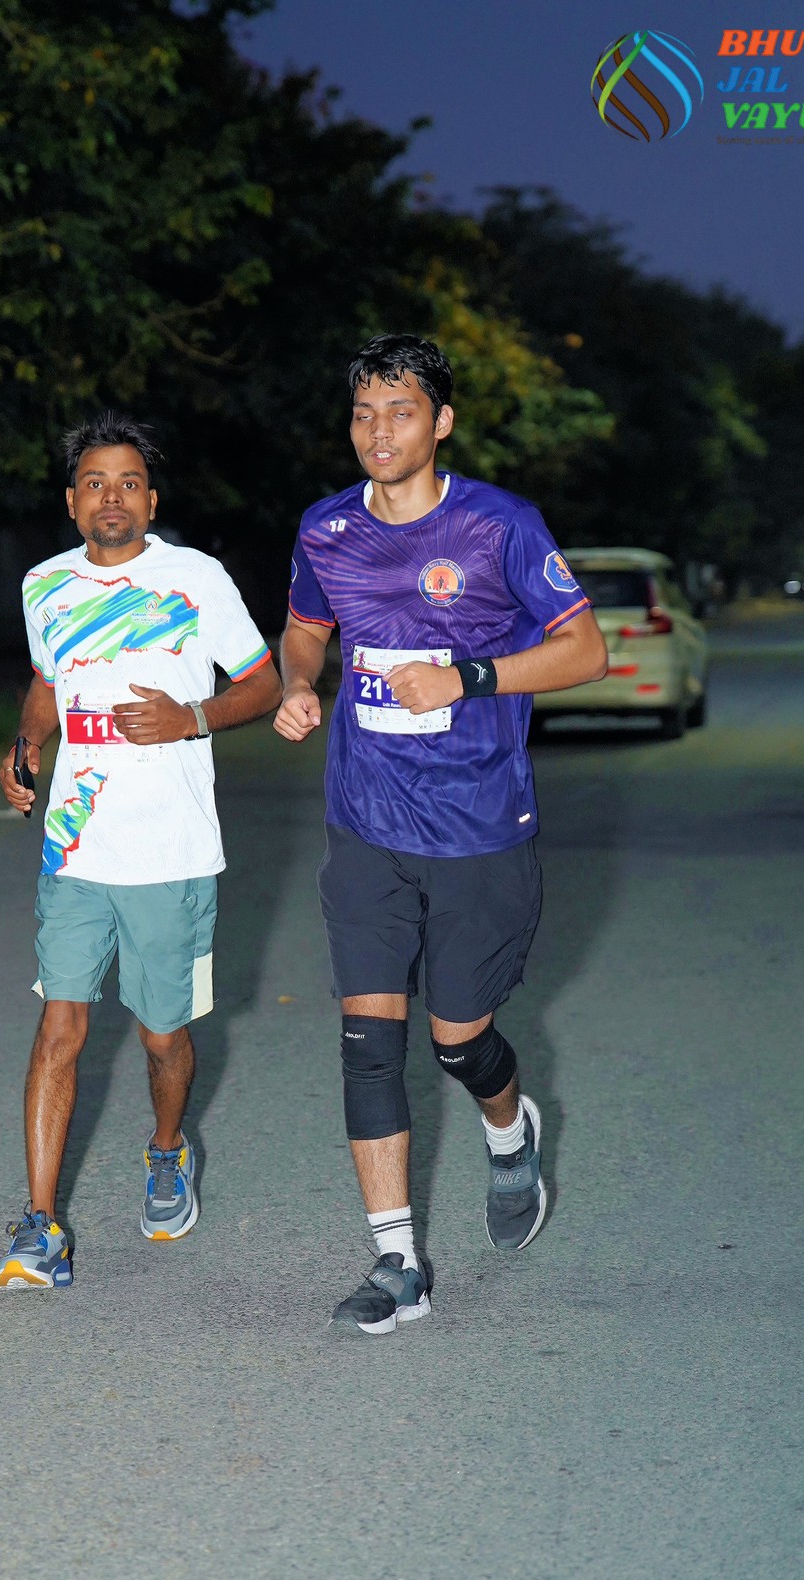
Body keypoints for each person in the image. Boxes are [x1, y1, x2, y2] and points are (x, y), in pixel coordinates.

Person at [274, 333, 607, 1337]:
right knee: (367, 1042)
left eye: (401, 411)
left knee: (458, 1039)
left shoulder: (499, 525)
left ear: (441, 421)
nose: (379, 431)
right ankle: (397, 1261)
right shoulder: (326, 526)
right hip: (365, 819)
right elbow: (305, 626)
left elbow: (584, 650)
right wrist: (297, 682)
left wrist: (466, 677)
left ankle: (509, 1131)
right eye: (363, 413)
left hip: (476, 824)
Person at [0, 410, 281, 1291]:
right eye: (94, 483)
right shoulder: (45, 583)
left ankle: (166, 1148)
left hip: (170, 849)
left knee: (162, 1036)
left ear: (151, 501)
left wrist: (190, 716)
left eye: (127, 483)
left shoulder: (195, 578)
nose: (109, 497)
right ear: (71, 501)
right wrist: (25, 746)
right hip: (76, 844)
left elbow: (263, 684)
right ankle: (40, 1223)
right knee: (60, 1028)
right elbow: (48, 681)